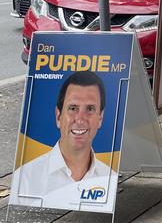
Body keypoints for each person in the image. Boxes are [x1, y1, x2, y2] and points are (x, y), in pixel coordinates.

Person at [10, 71, 116, 208]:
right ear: (58, 117)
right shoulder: (25, 178)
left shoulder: (110, 179)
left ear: (100, 118)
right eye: (73, 108)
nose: (80, 119)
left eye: (90, 109)